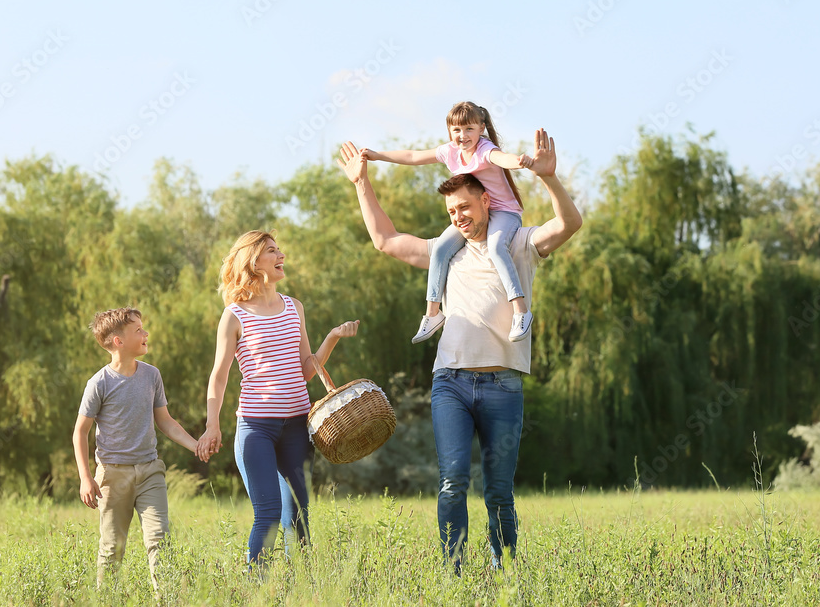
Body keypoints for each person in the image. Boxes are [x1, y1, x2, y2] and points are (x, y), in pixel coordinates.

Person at [338, 128, 582, 572]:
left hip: (503, 386)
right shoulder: (442, 252)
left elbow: (569, 224)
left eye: (465, 207)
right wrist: (361, 182)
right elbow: (385, 240)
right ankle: (455, 572)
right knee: (452, 482)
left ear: (487, 200)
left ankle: (503, 570)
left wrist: (549, 179)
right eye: (451, 212)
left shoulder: (518, 243)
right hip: (450, 383)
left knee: (499, 490)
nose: (459, 217)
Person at [196, 230, 359, 567]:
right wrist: (212, 426)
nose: (281, 254)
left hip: (297, 428)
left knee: (298, 517)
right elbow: (219, 375)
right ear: (253, 262)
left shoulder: (293, 307)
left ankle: (300, 591)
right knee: (268, 515)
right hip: (256, 428)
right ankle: (257, 590)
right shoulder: (235, 315)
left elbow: (305, 370)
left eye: (279, 249)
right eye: (272, 251)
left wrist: (332, 338)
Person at [361, 101, 535, 344]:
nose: (462, 136)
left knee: (496, 248)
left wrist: (521, 162)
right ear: (449, 131)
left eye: (469, 129)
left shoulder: (485, 149)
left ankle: (521, 311)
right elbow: (412, 156)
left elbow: (503, 158)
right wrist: (378, 156)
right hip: (473, 215)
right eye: (456, 130)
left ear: (481, 128)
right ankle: (432, 314)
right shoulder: (450, 151)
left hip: (503, 213)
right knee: (441, 249)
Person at [72, 307, 199, 592]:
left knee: (159, 540)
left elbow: (165, 421)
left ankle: (164, 598)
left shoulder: (152, 375)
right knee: (112, 548)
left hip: (150, 470)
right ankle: (108, 599)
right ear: (118, 341)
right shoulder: (99, 383)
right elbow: (80, 432)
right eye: (138, 330)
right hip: (112, 477)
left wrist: (195, 445)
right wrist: (85, 477)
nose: (146, 334)